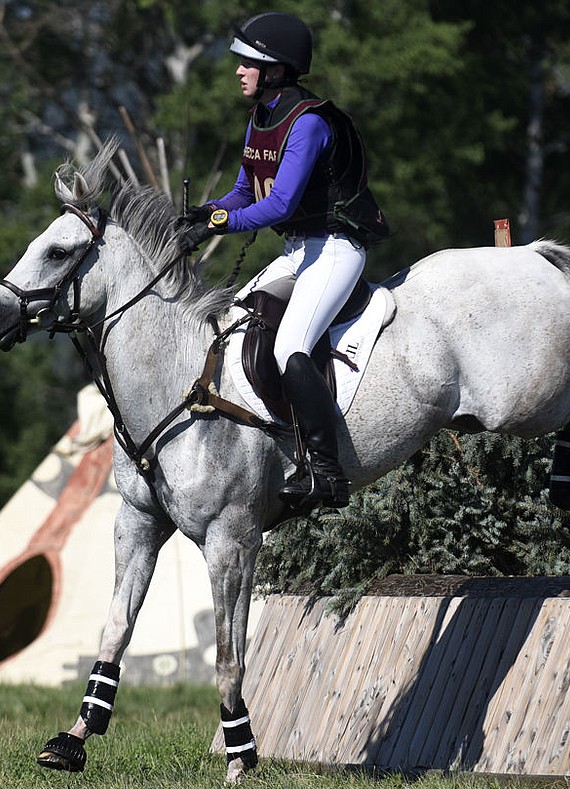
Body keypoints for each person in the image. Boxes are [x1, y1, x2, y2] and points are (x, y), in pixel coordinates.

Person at [178, 11, 389, 510]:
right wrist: (204, 213)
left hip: (335, 251)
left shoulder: (309, 122)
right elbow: (241, 192)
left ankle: (326, 471)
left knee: (289, 344)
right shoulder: (261, 118)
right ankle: (276, 439)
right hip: (297, 251)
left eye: (247, 62)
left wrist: (221, 226)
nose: (237, 71)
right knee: (239, 323)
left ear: (275, 68)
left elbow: (281, 205)